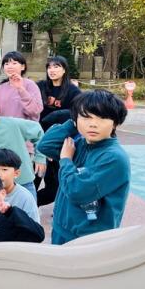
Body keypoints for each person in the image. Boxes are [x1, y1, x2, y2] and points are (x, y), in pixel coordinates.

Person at [36, 90, 130, 245]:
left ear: (115, 123)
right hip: (61, 228)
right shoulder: (80, 144)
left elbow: (77, 191)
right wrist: (71, 125)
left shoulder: (113, 157)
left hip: (89, 237)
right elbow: (45, 145)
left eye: (101, 118)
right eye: (86, 117)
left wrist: (66, 160)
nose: (93, 124)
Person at [34, 56, 82, 206]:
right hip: (37, 140)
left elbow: (76, 115)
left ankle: (32, 203)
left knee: (54, 188)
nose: (52, 70)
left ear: (64, 69)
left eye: (56, 66)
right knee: (31, 181)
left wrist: (54, 118)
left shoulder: (73, 91)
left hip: (57, 144)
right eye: (49, 67)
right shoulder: (40, 87)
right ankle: (24, 208)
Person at [0, 51, 43, 122]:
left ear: (23, 67)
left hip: (25, 128)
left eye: (14, 63)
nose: (10, 67)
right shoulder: (0, 88)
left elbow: (35, 110)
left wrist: (21, 89)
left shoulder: (30, 85)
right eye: (6, 64)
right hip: (5, 127)